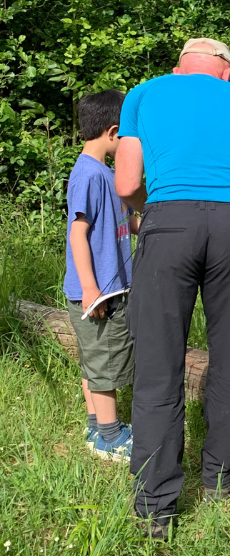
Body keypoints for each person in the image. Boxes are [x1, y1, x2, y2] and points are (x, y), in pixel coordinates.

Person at [114, 37, 230, 539]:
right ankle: (220, 479)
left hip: (168, 221)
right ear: (226, 72)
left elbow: (125, 185)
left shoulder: (144, 94)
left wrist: (160, 204)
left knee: (159, 362)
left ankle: (156, 508)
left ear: (178, 68)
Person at [64, 89, 139, 462]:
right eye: (124, 135)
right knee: (106, 362)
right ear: (112, 132)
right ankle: (110, 437)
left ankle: (97, 427)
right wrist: (92, 289)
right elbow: (78, 233)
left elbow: (126, 219)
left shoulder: (106, 175)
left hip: (107, 287)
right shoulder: (88, 175)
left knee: (94, 360)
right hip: (99, 292)